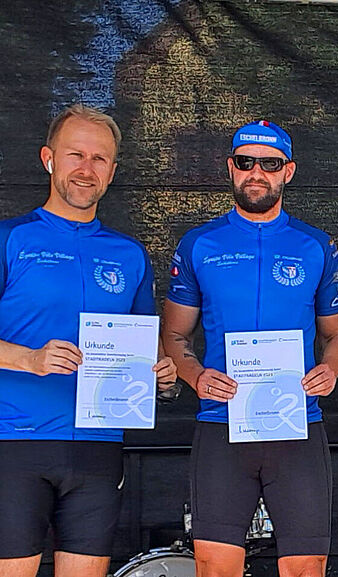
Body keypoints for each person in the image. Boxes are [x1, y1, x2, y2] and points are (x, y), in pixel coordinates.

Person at [162, 120, 338, 577]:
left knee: (306, 566)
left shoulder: (315, 246)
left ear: (288, 171)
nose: (257, 173)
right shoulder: (199, 244)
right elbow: (173, 337)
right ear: (231, 168)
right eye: (246, 162)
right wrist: (195, 376)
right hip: (221, 421)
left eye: (270, 164)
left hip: (296, 422)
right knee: (214, 564)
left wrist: (331, 370)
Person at [0, 104, 177, 577]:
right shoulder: (9, 239)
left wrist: (162, 373)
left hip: (98, 445)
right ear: (47, 159)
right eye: (75, 154)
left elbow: (148, 342)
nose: (86, 168)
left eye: (99, 159)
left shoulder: (129, 254)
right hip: (16, 440)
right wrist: (29, 359)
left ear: (113, 171)